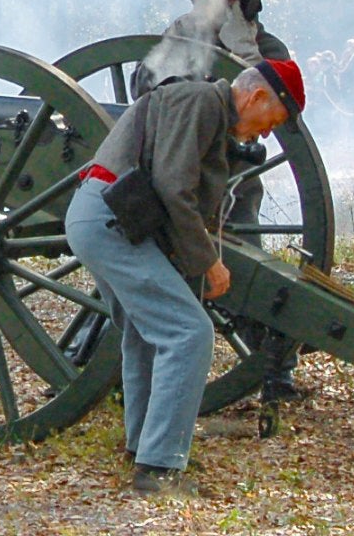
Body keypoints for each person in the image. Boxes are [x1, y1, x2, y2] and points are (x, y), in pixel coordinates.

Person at [65, 58, 306, 496]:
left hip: (110, 217)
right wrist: (208, 261)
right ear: (255, 97)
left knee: (144, 334)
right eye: (274, 119)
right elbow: (175, 187)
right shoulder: (201, 102)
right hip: (111, 216)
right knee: (190, 333)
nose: (268, 133)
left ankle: (142, 446)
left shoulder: (210, 113)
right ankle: (159, 471)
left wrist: (201, 257)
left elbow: (187, 192)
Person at [129, 0, 302, 403]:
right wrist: (176, 46)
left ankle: (276, 370)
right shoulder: (183, 34)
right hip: (175, 171)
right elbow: (144, 90)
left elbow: (277, 108)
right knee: (142, 258)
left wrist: (243, 52)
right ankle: (89, 355)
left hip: (235, 178)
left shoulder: (265, 44)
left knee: (249, 271)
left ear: (232, 3)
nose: (201, 9)